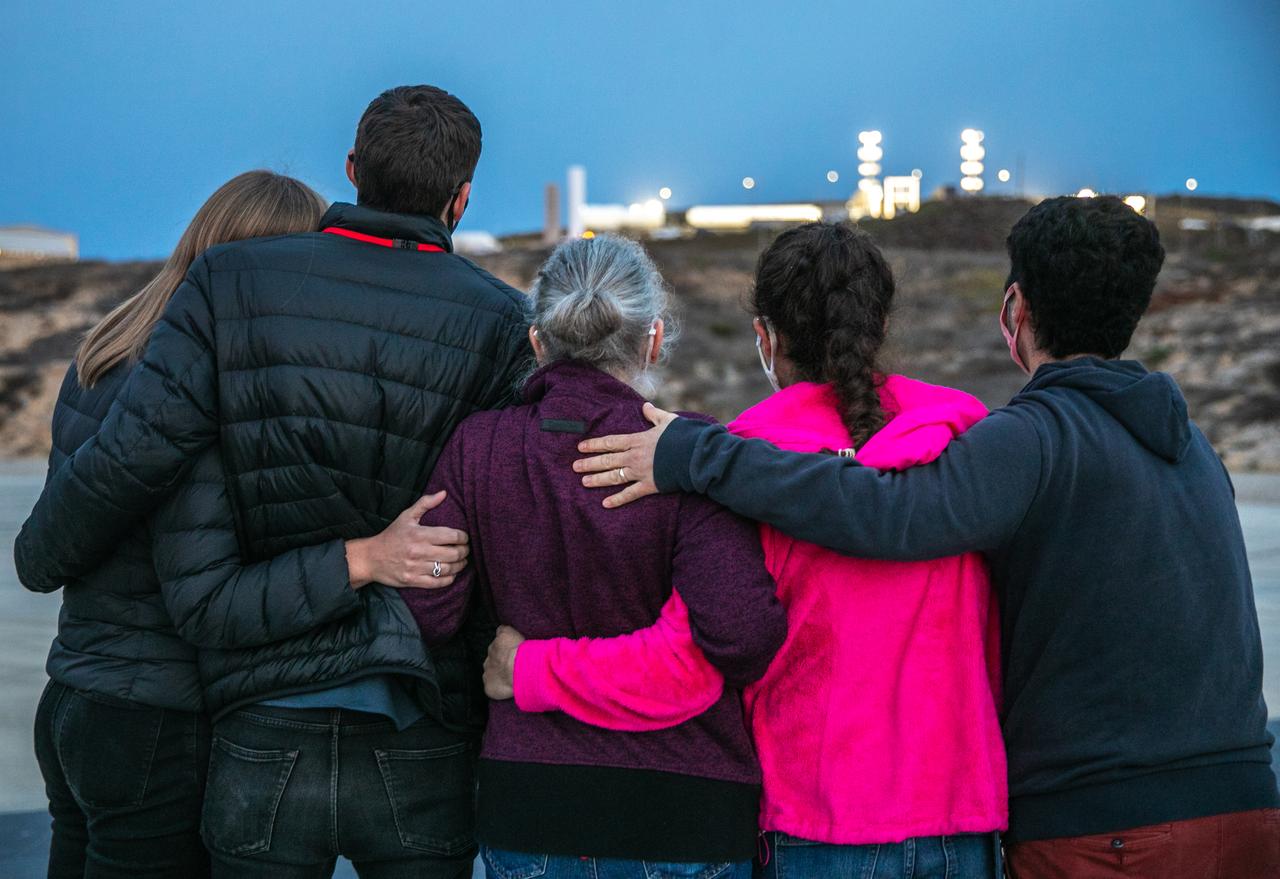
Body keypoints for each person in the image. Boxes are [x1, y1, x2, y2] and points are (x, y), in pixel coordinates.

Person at [571, 196, 1280, 878]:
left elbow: (888, 514)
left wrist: (697, 454)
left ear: (1014, 309)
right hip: (1239, 798)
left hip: (1095, 820)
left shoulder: (1027, 440)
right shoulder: (1188, 444)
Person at [16, 85, 532, 878]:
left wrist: (40, 553)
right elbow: (518, 508)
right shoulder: (502, 320)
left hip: (255, 709)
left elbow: (140, 454)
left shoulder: (227, 285)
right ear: (463, 198)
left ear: (353, 169)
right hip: (419, 707)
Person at [480, 223, 1007, 878]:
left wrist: (528, 668)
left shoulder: (736, 466)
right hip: (964, 816)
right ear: (875, 324)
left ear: (765, 338)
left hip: (820, 821)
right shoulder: (964, 439)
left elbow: (684, 665)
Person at [399, 234, 788, 878]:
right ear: (654, 340)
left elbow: (429, 612)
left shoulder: (478, 447)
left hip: (531, 800)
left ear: (537, 342)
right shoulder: (686, 453)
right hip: (686, 808)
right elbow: (744, 637)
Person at [31, 170, 330, 879]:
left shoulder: (104, 354)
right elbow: (208, 589)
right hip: (155, 720)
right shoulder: (208, 390)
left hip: (73, 697)